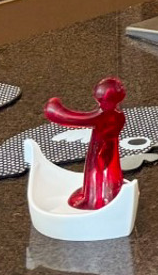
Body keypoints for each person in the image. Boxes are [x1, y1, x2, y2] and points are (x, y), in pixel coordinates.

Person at [44, 77, 128, 210]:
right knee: (109, 170)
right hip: (110, 147)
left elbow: (75, 119)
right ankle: (111, 191)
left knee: (96, 171)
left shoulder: (104, 116)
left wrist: (54, 110)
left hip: (99, 148)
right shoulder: (119, 115)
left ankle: (96, 197)